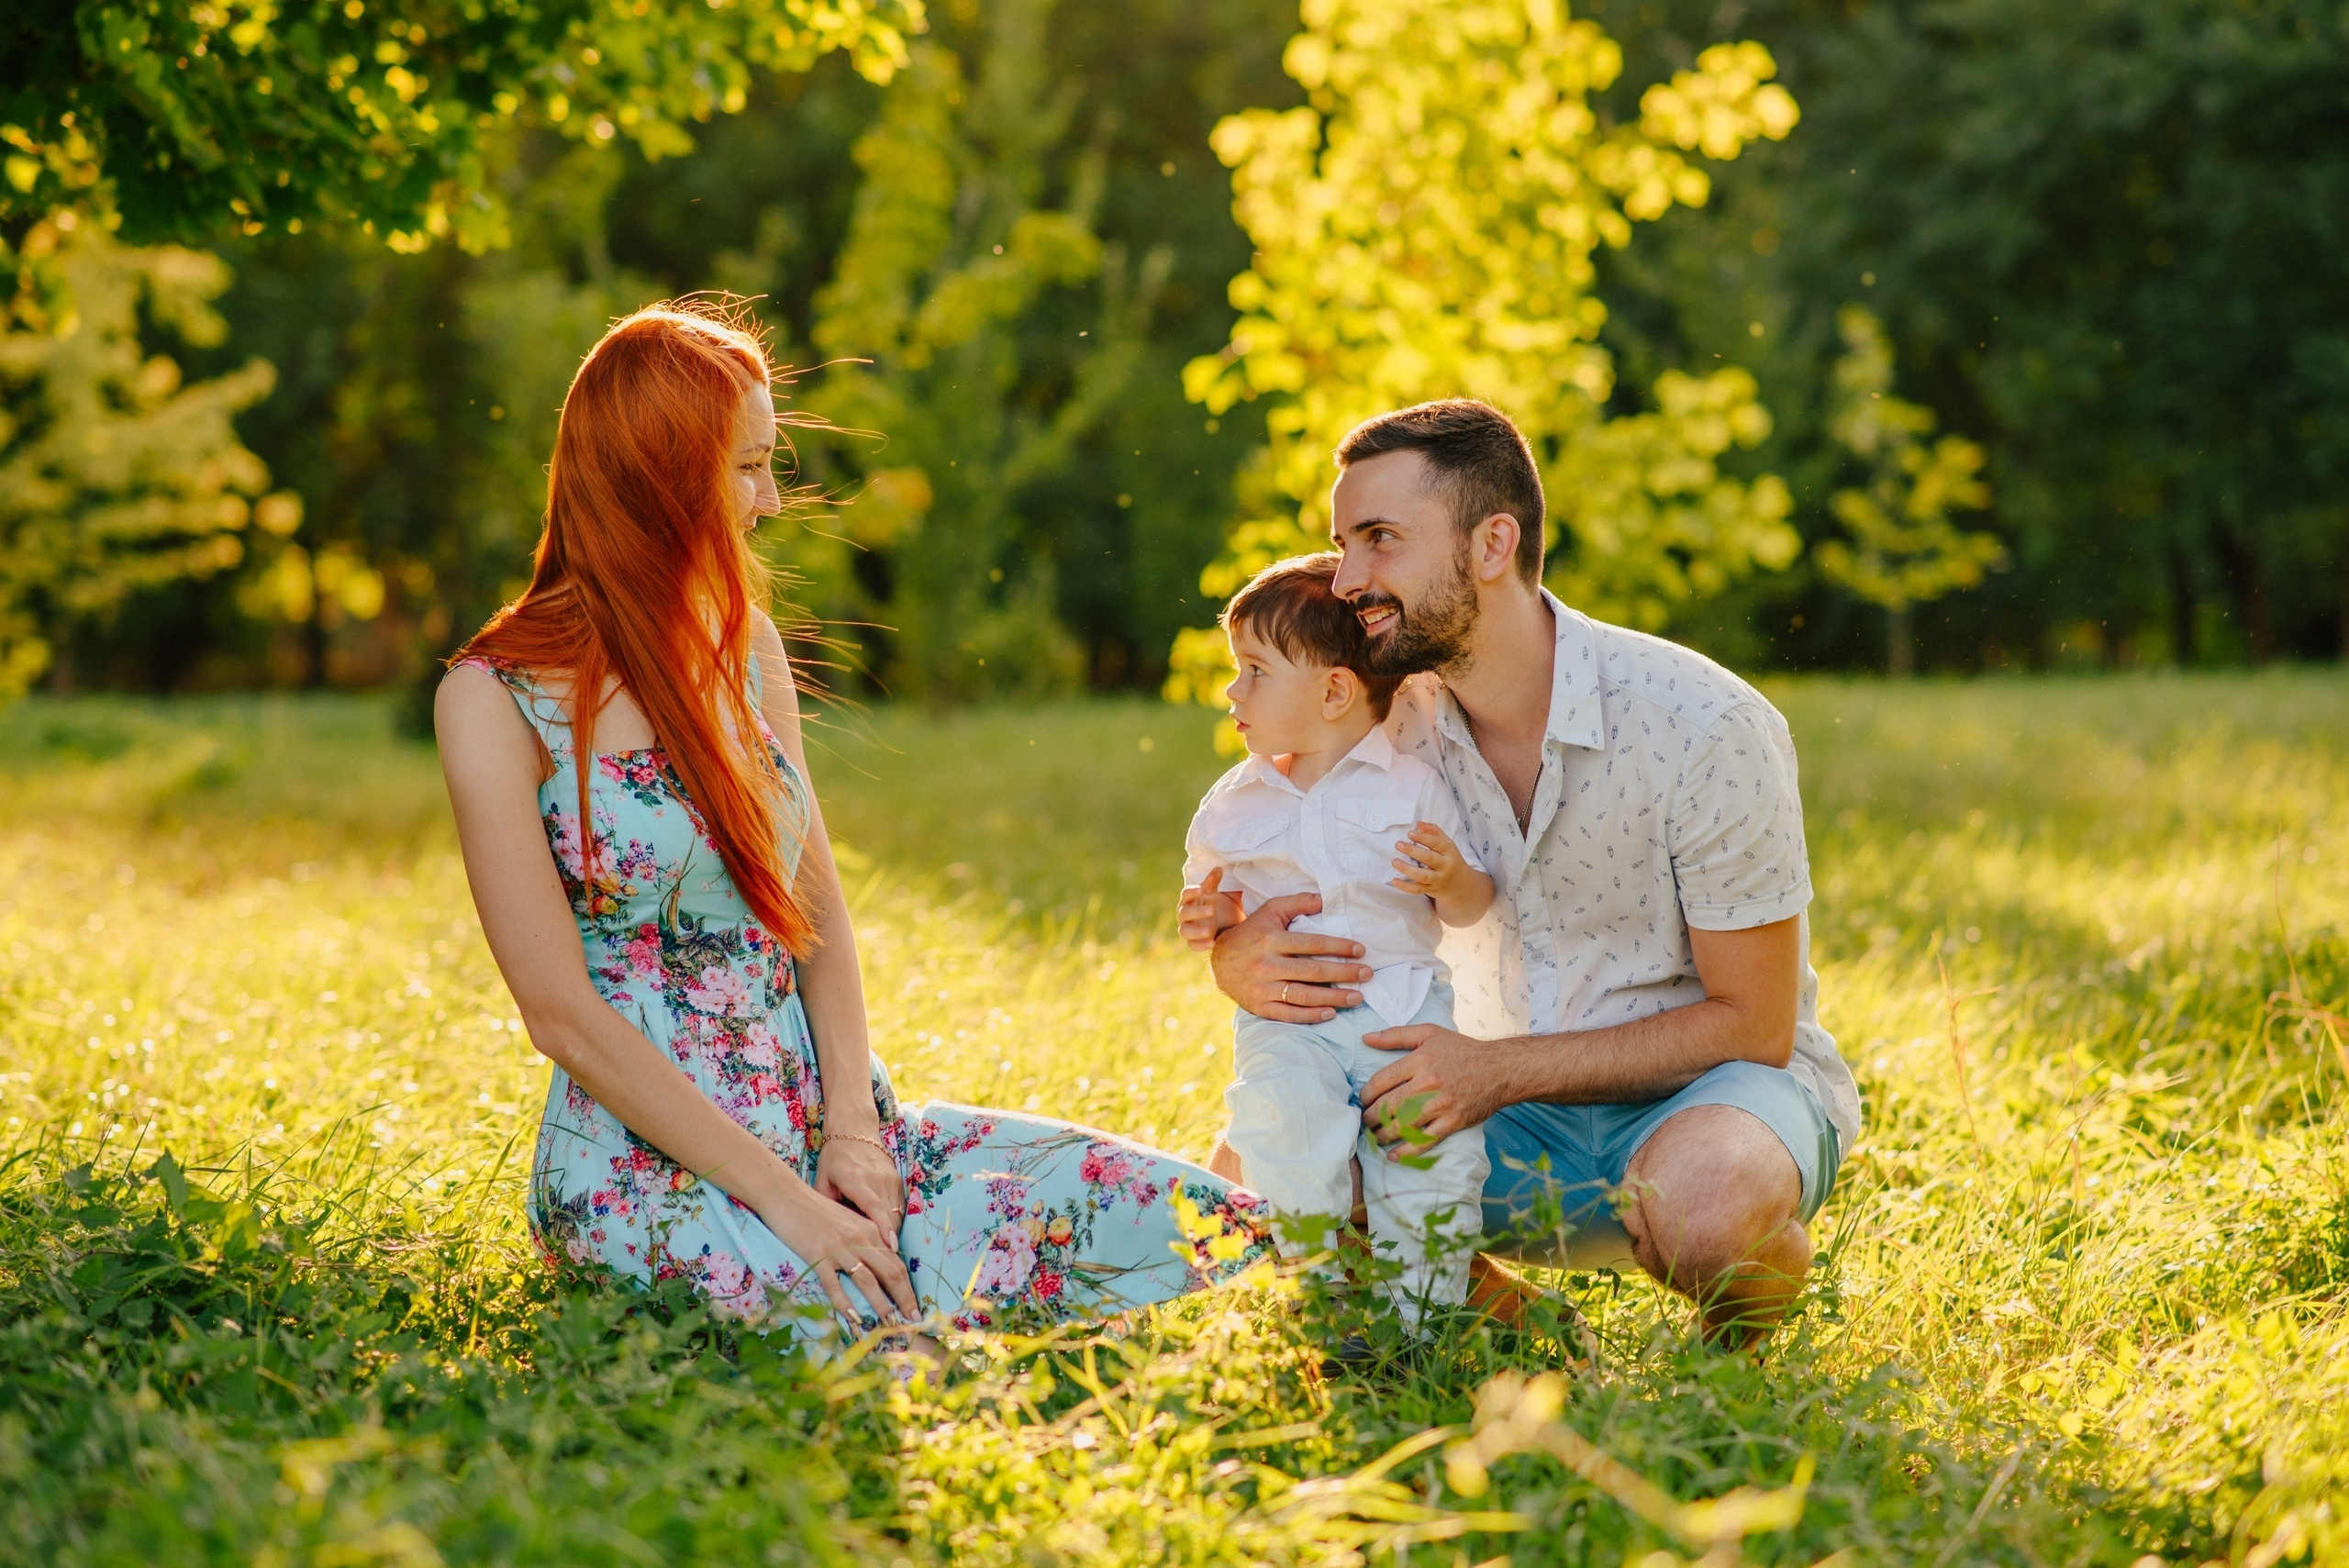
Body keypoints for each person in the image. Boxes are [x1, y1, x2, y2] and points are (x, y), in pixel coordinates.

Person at [436, 300, 1269, 1350]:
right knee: (893, 1356)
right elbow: (558, 1011)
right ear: (657, 470)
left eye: (768, 462)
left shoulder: (745, 651)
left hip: (829, 1130)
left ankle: (1420, 1276)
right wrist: (786, 1202)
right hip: (648, 1170)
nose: (769, 500)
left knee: (1218, 1231)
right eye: (744, 468)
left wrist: (856, 1132)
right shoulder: (495, 696)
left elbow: (813, 916)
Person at [1195, 398, 1862, 1345]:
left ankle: (1742, 1353)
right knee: (1261, 1170)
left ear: (1491, 543)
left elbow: (1752, 1026)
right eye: (1340, 543)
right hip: (1496, 1117)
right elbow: (1259, 835)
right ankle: (1527, 1330)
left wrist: (1494, 1071)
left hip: (1709, 1096)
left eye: (1380, 538)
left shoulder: (1704, 723)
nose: (1348, 578)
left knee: (1706, 1208)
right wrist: (1234, 957)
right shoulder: (1377, 716)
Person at [1178, 553, 1493, 1322]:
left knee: (1432, 1159)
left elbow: (1472, 904)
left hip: (1403, 1015)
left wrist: (1452, 876)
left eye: (1254, 670)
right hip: (1290, 1024)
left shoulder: (1412, 786)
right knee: (1284, 1128)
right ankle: (1314, 1295)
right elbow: (1213, 901)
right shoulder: (1234, 802)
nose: (1232, 690)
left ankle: (1420, 1324)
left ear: (1334, 691)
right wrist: (1210, 923)